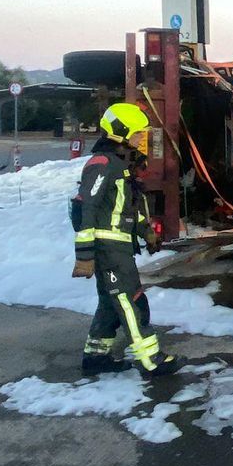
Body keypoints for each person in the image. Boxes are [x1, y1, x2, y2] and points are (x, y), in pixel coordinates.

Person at [70, 103, 181, 377]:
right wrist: (85, 254)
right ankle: (150, 359)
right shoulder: (102, 164)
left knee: (111, 302)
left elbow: (129, 208)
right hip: (108, 248)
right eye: (136, 134)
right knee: (131, 301)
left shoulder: (121, 165)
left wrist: (147, 232)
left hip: (118, 246)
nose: (140, 139)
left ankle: (96, 356)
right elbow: (88, 207)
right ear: (120, 131)